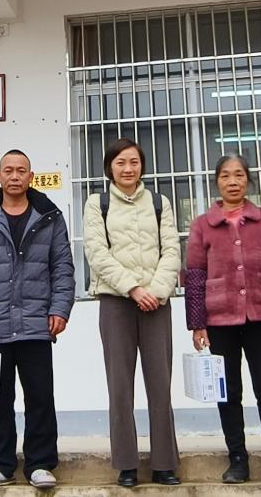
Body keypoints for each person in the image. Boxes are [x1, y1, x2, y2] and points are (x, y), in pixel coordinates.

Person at [0, 149, 76, 490]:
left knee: (40, 396)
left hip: (37, 323)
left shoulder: (50, 217)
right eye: (8, 170)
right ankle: (0, 465)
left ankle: (40, 464)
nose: (14, 176)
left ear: (30, 176)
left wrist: (60, 309)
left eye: (21, 170)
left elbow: (63, 268)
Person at [184, 154, 261, 485]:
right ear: (216, 182)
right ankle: (237, 459)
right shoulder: (202, 225)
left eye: (239, 175)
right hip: (219, 321)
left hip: (260, 315)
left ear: (248, 180)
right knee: (228, 392)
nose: (232, 181)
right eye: (225, 176)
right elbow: (194, 275)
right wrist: (197, 322)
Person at [83, 138, 181, 488]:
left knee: (160, 385)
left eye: (134, 162)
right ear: (110, 167)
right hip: (116, 302)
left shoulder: (159, 202)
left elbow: (172, 249)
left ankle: (164, 463)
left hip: (157, 303)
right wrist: (134, 289)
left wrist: (156, 290)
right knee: (120, 386)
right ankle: (126, 464)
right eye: (121, 162)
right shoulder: (97, 204)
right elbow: (97, 253)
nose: (128, 168)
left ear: (142, 166)